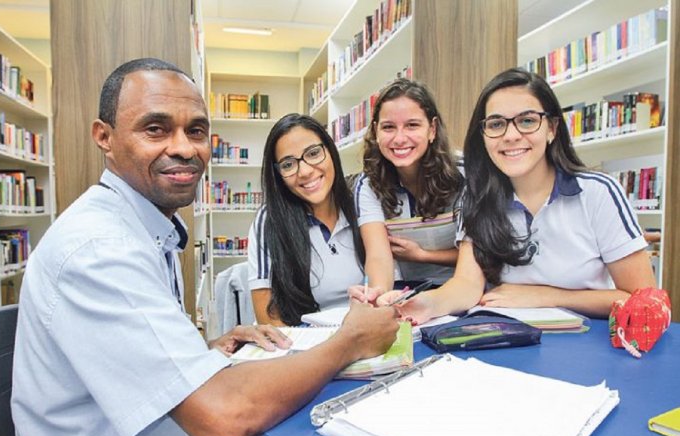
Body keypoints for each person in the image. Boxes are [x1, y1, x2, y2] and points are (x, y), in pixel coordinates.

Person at [11, 58, 399, 436]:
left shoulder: (146, 227)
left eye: (195, 130)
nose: (182, 148)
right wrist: (351, 340)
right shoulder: (99, 248)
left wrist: (206, 353)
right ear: (104, 137)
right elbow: (223, 420)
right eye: (155, 128)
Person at [379, 67, 656, 324]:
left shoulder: (598, 192)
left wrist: (547, 296)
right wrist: (421, 304)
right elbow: (466, 285)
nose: (511, 136)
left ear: (552, 129)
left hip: (588, 347)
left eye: (527, 121)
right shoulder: (476, 198)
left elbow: (645, 301)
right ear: (484, 135)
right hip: (508, 342)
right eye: (497, 124)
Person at [348, 78, 463, 303]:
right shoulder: (369, 184)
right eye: (388, 127)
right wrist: (378, 293)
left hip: (464, 291)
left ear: (432, 129)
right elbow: (379, 256)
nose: (399, 139)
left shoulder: (464, 174)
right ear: (376, 131)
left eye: (412, 125)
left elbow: (481, 256)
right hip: (410, 292)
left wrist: (423, 255)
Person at [248, 114, 366, 326]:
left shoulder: (360, 206)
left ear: (330, 150)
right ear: (278, 174)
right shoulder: (270, 221)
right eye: (288, 165)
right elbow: (268, 316)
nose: (304, 171)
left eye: (313, 153)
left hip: (365, 332)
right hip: (306, 344)